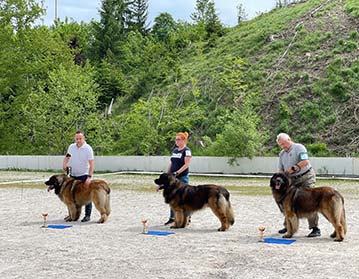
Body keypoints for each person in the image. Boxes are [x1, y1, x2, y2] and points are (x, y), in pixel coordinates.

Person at [276, 132, 321, 237]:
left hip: (306, 177)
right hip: (292, 180)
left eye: (284, 144)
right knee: (287, 202)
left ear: (289, 139)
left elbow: (305, 161)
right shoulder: (282, 154)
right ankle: (288, 225)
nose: (283, 146)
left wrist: (293, 168)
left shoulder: (299, 148)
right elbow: (281, 170)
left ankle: (314, 228)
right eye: (281, 145)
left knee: (310, 200)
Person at [63, 130, 95, 222]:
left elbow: (92, 164)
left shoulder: (88, 149)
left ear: (83, 138)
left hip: (84, 175)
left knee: (86, 196)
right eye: (77, 139)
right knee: (71, 196)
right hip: (73, 175)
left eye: (80, 138)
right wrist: (64, 164)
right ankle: (73, 215)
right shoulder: (71, 147)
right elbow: (67, 157)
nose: (78, 140)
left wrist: (89, 176)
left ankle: (87, 215)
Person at [164, 132, 192, 225]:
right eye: (176, 139)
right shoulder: (175, 151)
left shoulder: (187, 150)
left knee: (185, 198)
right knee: (172, 197)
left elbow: (187, 164)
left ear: (184, 140)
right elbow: (171, 162)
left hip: (182, 177)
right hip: (173, 178)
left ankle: (187, 217)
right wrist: (167, 173)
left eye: (178, 139)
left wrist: (177, 172)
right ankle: (172, 217)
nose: (176, 141)